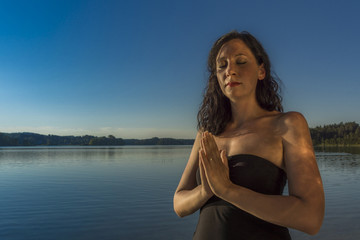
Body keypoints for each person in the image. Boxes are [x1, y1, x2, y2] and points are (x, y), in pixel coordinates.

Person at [173, 30, 325, 240]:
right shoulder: (207, 133)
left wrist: (227, 189)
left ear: (261, 71)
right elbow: (179, 204)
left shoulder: (287, 124)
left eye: (241, 61)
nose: (230, 71)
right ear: (216, 77)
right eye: (222, 65)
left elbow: (311, 217)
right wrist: (206, 191)